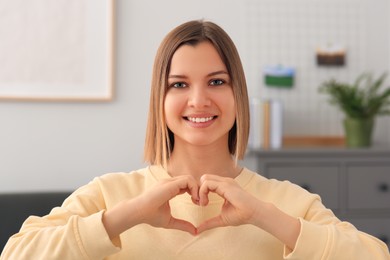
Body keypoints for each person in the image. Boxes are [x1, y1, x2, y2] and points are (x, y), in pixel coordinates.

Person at [1, 20, 389, 260]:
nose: (199, 100)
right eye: (179, 84)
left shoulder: (287, 203)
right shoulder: (109, 194)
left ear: (238, 93)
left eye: (217, 82)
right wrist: (127, 216)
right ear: (161, 98)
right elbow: (17, 254)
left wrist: (263, 216)